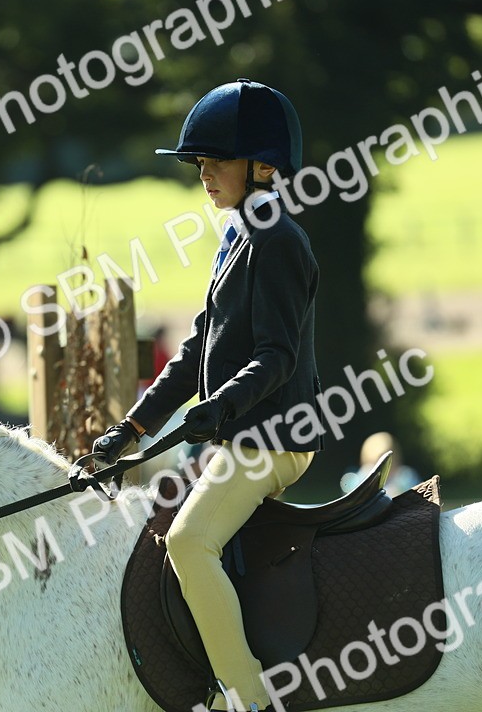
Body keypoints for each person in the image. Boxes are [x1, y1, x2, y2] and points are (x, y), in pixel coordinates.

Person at [92, 79, 321, 712]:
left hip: (274, 437)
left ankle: (249, 697)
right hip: (241, 433)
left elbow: (276, 356)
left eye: (216, 161)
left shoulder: (278, 240)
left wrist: (218, 409)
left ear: (264, 166)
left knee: (189, 543)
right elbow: (196, 352)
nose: (204, 174)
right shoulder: (238, 236)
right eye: (200, 163)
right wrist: (133, 429)